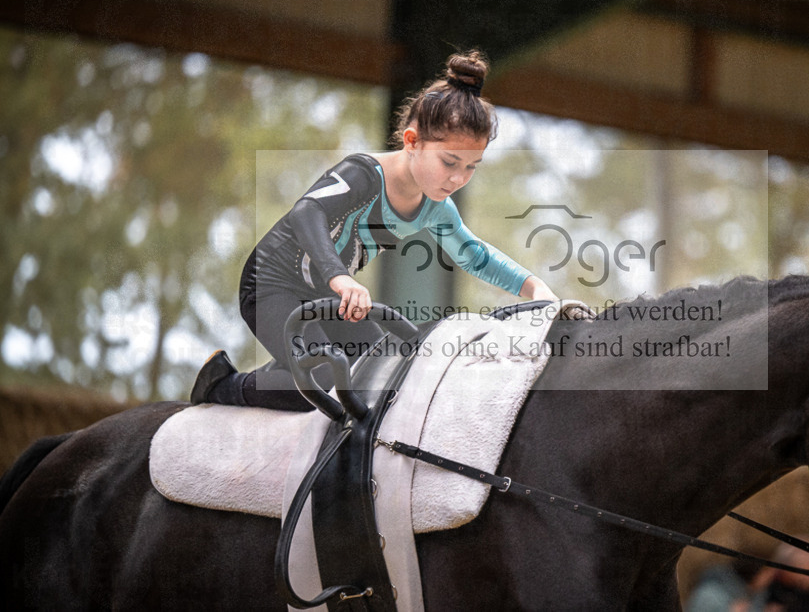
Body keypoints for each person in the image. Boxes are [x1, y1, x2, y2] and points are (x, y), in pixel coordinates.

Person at [190, 50, 558, 410]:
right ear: (412, 141)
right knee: (321, 383)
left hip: (328, 295)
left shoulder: (436, 208)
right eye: (449, 162)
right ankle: (223, 385)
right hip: (272, 283)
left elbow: (474, 256)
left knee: (381, 377)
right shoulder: (363, 174)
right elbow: (307, 213)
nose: (458, 178)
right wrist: (341, 279)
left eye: (471, 167)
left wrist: (534, 288)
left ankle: (288, 364)